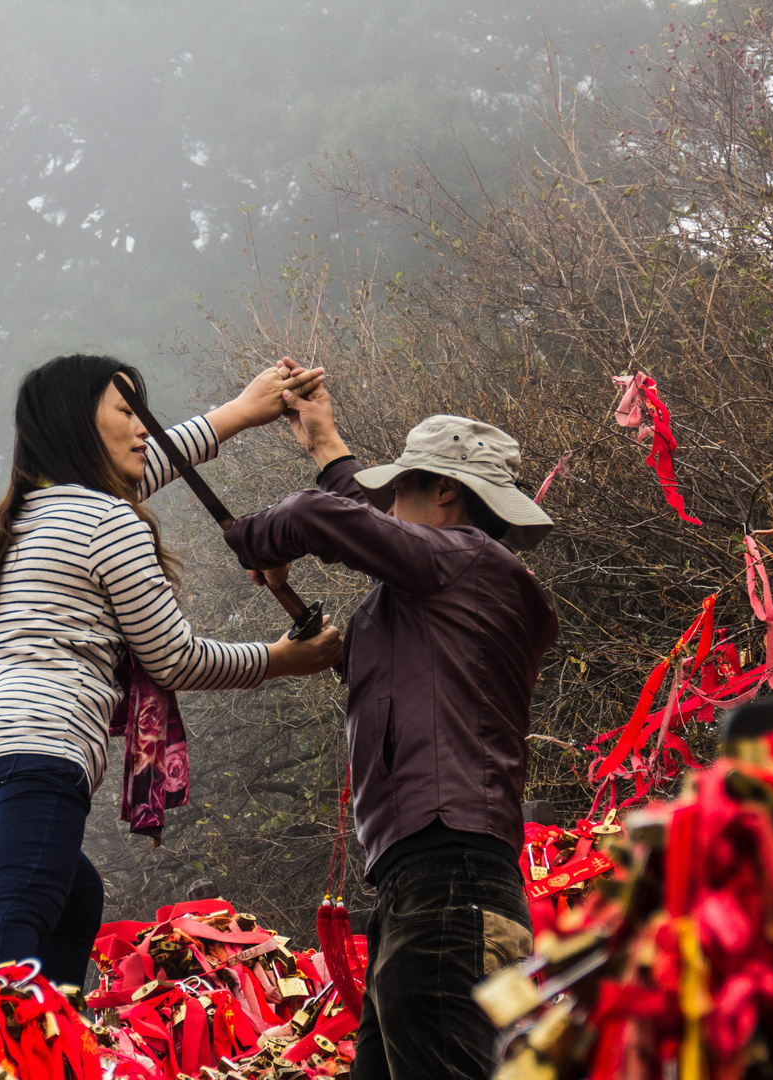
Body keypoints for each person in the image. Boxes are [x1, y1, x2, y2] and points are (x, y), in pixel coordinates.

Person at [0, 354, 343, 987]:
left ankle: (54, 1044)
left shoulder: (31, 516)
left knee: (72, 903)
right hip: (33, 758)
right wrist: (280, 659)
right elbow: (174, 658)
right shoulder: (107, 521)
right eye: (127, 413)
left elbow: (139, 473)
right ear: (78, 426)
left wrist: (240, 413)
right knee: (16, 922)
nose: (145, 429)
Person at [222, 365, 558, 1080]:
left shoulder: (463, 564)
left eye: (400, 487)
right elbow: (368, 521)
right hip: (438, 887)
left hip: (447, 885)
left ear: (447, 493)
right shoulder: (461, 584)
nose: (385, 504)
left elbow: (324, 520)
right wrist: (325, 444)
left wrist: (256, 539)